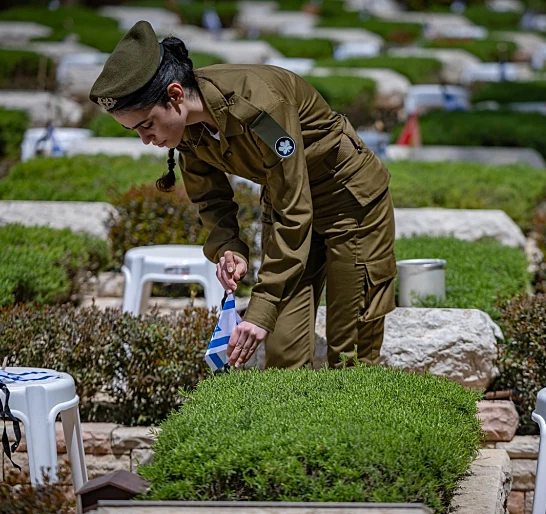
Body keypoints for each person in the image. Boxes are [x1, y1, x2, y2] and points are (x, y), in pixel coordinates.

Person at [89, 21, 396, 369]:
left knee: (351, 351)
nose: (146, 139)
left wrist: (261, 309)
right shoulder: (186, 128)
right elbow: (210, 198)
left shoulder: (259, 106)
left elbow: (294, 208)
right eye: (135, 131)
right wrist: (228, 246)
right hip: (287, 207)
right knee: (284, 355)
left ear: (175, 95)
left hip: (349, 204)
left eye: (146, 124)